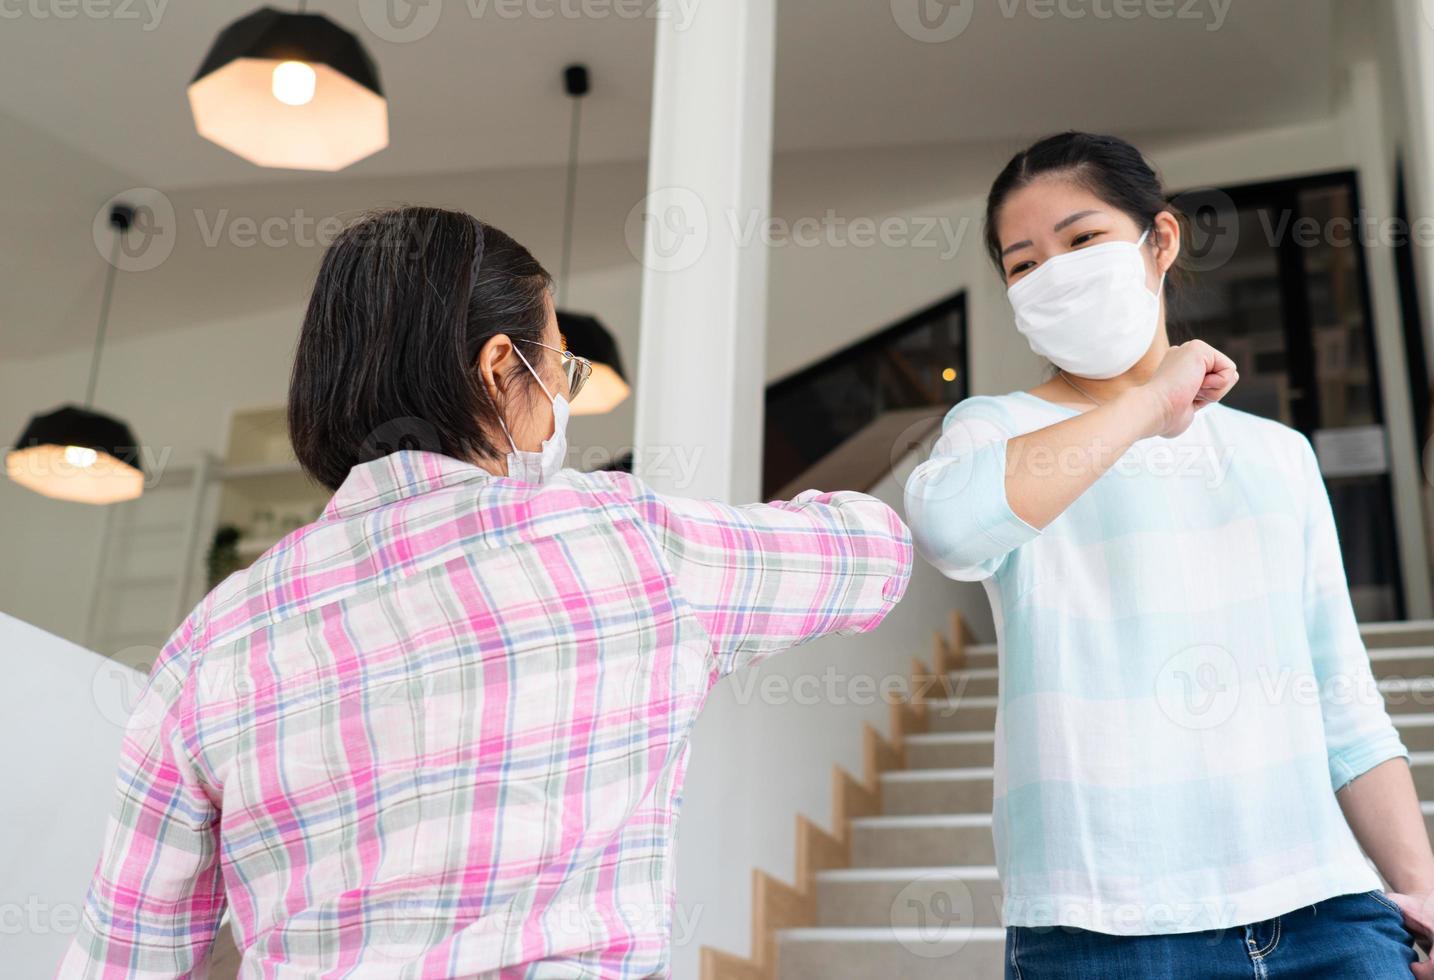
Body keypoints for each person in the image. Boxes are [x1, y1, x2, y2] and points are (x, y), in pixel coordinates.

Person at [58, 207, 913, 978]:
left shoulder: (220, 634)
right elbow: (873, 555)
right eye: (560, 369)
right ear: (501, 365)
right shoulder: (626, 542)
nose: (560, 404)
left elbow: (122, 959)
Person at [904, 132, 1431, 977]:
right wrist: (1151, 400)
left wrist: (1422, 889)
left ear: (1161, 239)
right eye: (1023, 264)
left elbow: (1342, 695)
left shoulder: (1277, 454)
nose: (1053, 275)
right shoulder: (993, 431)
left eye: (1081, 241)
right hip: (1104, 925)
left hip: (1327, 911)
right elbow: (948, 531)